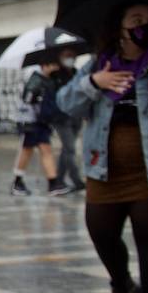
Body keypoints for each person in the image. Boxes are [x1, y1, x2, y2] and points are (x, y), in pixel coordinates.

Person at [57, 1, 148, 293]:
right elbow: (66, 104)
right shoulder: (97, 64)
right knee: (101, 232)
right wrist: (95, 83)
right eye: (137, 19)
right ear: (120, 28)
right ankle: (122, 285)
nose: (145, 25)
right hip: (103, 169)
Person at [12, 60, 67, 196]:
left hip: (43, 122)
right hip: (31, 122)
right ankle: (17, 182)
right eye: (53, 64)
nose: (56, 66)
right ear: (45, 65)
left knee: (46, 150)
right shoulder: (35, 81)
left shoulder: (52, 81)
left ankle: (52, 183)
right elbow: (27, 101)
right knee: (27, 151)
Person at [52, 48, 87, 194]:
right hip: (61, 117)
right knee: (70, 148)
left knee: (66, 150)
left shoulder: (77, 73)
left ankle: (59, 179)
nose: (70, 58)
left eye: (72, 55)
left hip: (76, 116)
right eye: (66, 55)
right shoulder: (55, 75)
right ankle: (75, 179)